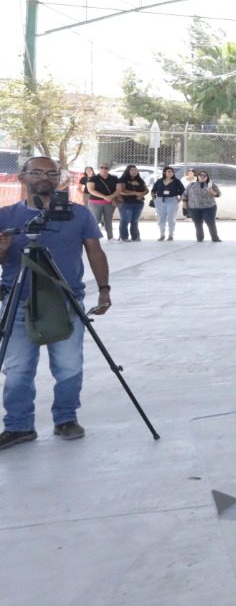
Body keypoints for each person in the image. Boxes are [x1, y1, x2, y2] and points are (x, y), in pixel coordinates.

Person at [0, 157, 111, 450]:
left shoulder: (79, 214)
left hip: (66, 300)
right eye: (36, 172)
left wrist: (104, 289)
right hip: (18, 301)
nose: (44, 177)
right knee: (17, 369)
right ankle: (18, 426)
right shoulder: (6, 216)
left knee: (69, 366)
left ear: (61, 179)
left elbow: (95, 252)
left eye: (52, 172)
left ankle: (66, 419)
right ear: (22, 177)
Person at [184, 170, 221, 242]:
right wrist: (184, 204)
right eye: (201, 175)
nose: (202, 176)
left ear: (207, 177)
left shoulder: (211, 184)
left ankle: (215, 238)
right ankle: (200, 238)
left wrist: (213, 192)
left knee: (210, 223)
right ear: (198, 176)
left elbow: (219, 194)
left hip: (209, 208)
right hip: (194, 208)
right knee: (197, 224)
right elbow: (185, 194)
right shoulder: (191, 185)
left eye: (205, 175)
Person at [115, 165, 148, 242]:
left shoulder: (140, 180)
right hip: (126, 203)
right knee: (125, 220)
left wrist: (142, 194)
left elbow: (146, 190)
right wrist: (136, 193)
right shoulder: (122, 180)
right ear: (128, 171)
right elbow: (121, 191)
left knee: (135, 220)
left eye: (135, 170)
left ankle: (135, 236)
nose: (134, 172)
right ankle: (123, 237)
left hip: (139, 203)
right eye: (132, 170)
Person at [151, 166, 184, 241]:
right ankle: (162, 235)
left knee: (171, 219)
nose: (170, 173)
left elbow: (183, 191)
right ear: (164, 172)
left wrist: (179, 200)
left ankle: (170, 235)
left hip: (172, 200)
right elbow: (153, 191)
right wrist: (154, 200)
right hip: (160, 201)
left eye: (172, 172)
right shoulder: (159, 181)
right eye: (168, 171)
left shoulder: (176, 181)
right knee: (161, 219)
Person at [85, 163, 116, 237]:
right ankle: (92, 237)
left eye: (106, 168)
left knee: (108, 220)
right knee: (95, 220)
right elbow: (91, 190)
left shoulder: (114, 178)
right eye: (101, 167)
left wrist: (111, 196)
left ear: (109, 169)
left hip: (109, 203)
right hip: (95, 203)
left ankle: (110, 237)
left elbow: (119, 189)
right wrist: (104, 196)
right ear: (98, 169)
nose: (104, 169)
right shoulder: (93, 178)